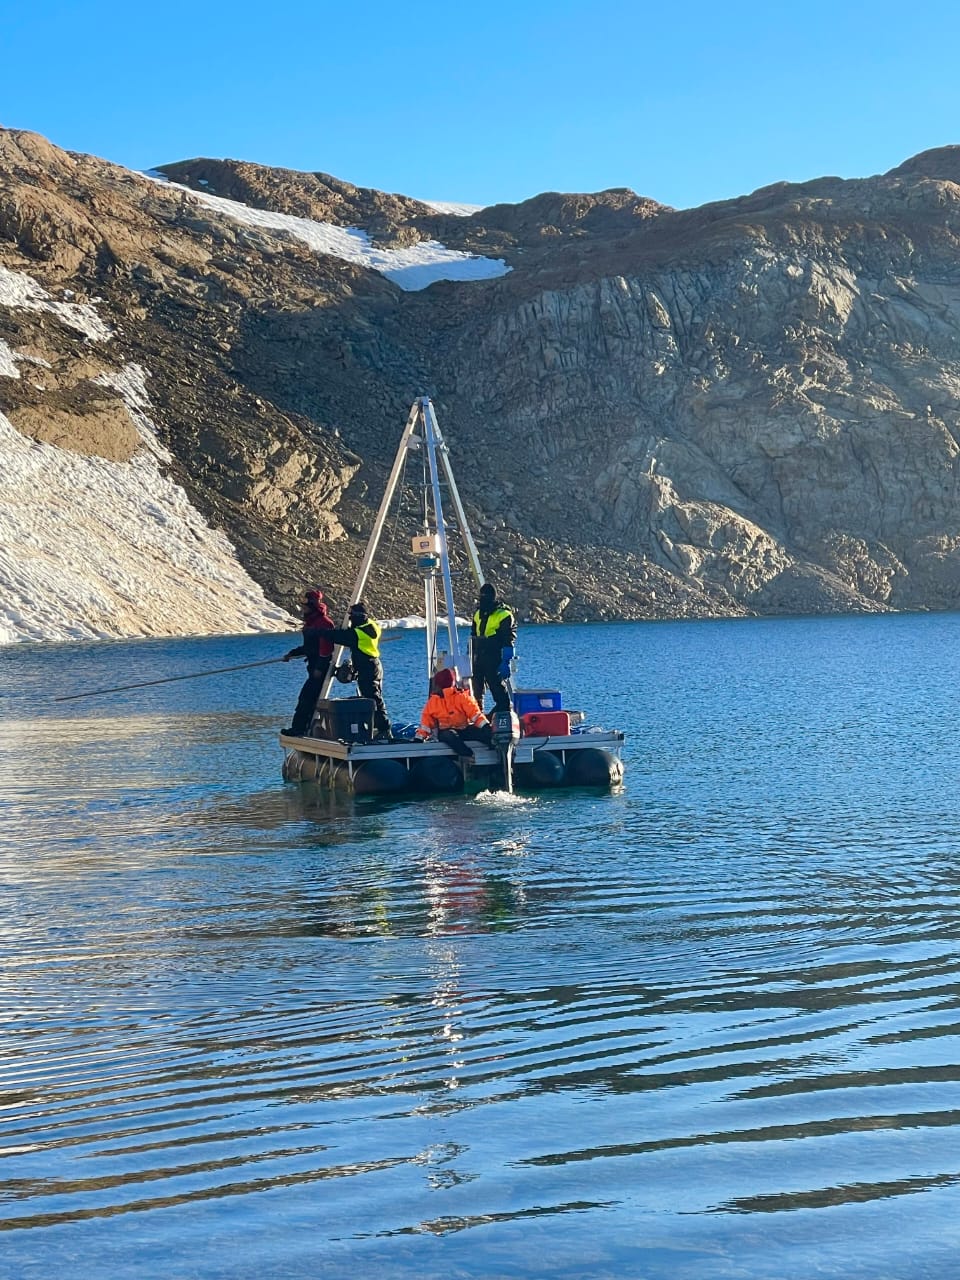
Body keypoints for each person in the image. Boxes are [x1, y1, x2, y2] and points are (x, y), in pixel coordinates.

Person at [327, 601, 393, 740]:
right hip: (373, 665)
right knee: (373, 697)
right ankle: (379, 728)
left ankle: (384, 729)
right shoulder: (371, 625)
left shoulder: (358, 633)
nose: (349, 619)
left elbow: (338, 637)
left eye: (351, 616)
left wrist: (318, 633)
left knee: (373, 698)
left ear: (356, 617)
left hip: (368, 667)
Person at [282, 588, 334, 735]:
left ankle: (299, 729)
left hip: (319, 667)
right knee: (306, 697)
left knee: (307, 698)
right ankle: (303, 727)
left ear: (312, 606)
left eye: (305, 606)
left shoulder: (324, 623)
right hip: (312, 665)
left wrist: (320, 667)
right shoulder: (311, 623)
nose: (302, 609)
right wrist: (292, 654)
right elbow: (309, 647)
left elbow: (326, 648)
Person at [415, 667, 492, 756]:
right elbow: (476, 715)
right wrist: (486, 727)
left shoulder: (433, 702)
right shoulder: (462, 697)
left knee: (449, 736)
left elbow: (425, 725)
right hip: (454, 732)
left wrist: (419, 738)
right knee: (450, 735)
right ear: (453, 682)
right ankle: (482, 752)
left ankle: (468, 754)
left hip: (455, 732)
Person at [470, 581, 517, 714]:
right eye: (481, 596)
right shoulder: (478, 614)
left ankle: (501, 717)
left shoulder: (504, 615)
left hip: (494, 658)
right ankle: (479, 721)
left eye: (486, 596)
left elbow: (509, 640)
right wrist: (470, 656)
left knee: (500, 695)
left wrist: (506, 661)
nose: (483, 599)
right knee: (476, 695)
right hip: (478, 659)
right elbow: (473, 636)